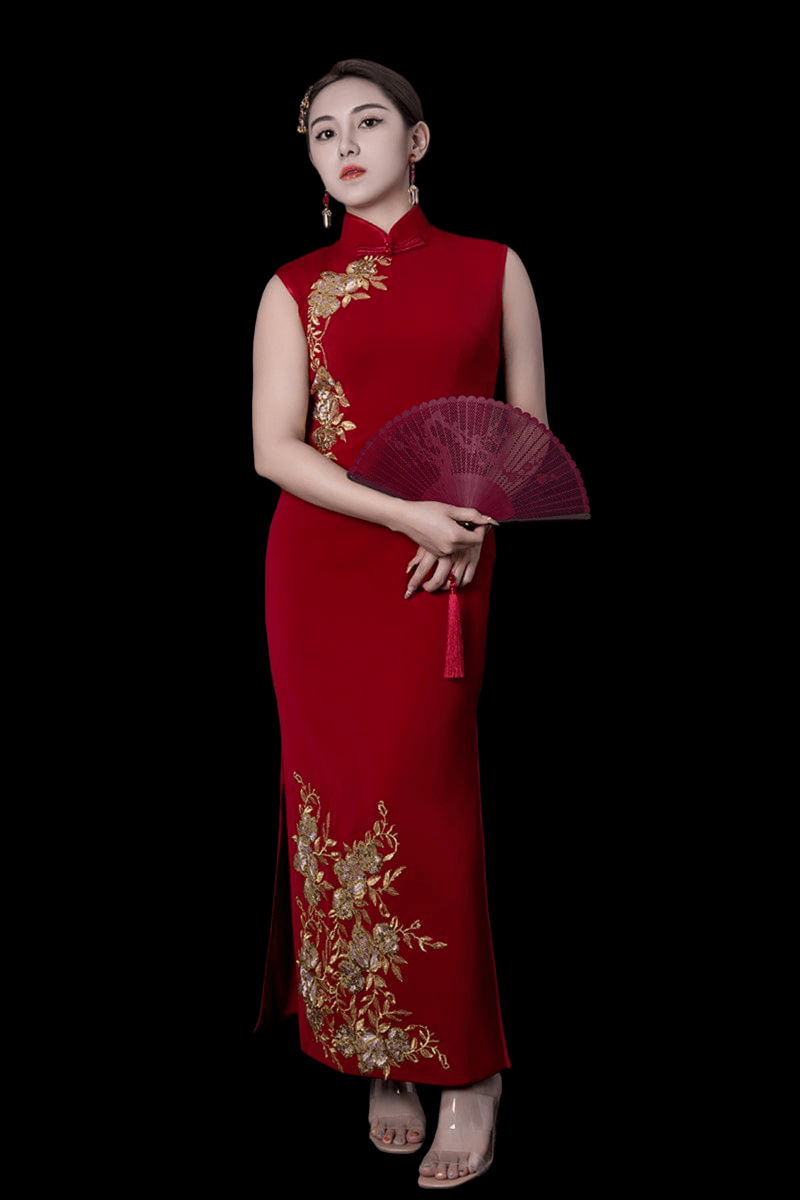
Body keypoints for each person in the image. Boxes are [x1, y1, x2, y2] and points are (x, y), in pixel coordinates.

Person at [252, 59, 547, 1188]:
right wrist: (405, 512)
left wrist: (464, 523)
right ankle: (379, 1050)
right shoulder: (291, 286)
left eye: (369, 121)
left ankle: (467, 1069)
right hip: (325, 566)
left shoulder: (493, 267)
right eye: (323, 131)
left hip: (446, 562)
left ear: (417, 141)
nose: (345, 143)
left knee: (428, 800)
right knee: (333, 798)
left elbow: (526, 431)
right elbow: (275, 449)